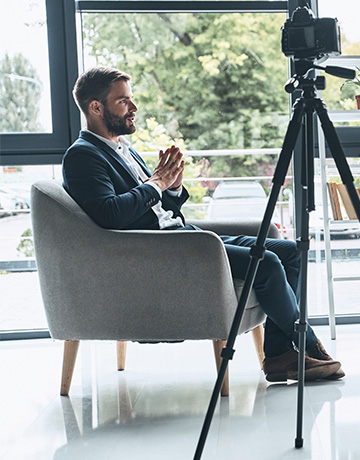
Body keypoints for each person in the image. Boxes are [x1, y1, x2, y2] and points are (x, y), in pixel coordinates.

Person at [62, 66, 344, 382]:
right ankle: (308, 346)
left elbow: (157, 208)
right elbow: (110, 214)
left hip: (184, 236)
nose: (134, 108)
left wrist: (171, 188)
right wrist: (155, 184)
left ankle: (279, 356)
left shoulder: (123, 149)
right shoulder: (82, 156)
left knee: (291, 252)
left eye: (132, 100)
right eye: (123, 101)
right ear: (96, 108)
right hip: (161, 251)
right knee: (265, 262)